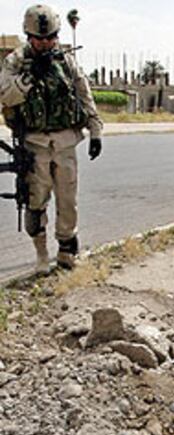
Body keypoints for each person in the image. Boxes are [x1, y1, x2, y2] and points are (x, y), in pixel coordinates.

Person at [0, 4, 103, 273]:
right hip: (34, 144)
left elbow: (84, 94)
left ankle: (67, 253)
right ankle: (42, 255)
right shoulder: (16, 61)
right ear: (29, 35)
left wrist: (96, 131)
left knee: (68, 201)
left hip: (66, 141)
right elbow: (6, 95)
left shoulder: (66, 60)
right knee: (35, 201)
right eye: (39, 39)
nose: (45, 44)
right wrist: (31, 75)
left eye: (49, 38)